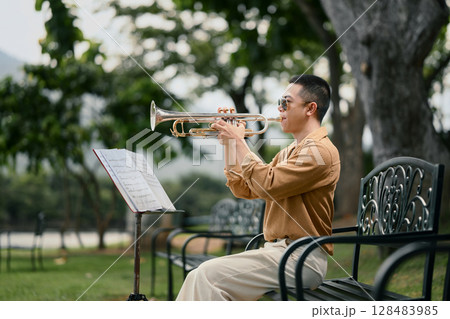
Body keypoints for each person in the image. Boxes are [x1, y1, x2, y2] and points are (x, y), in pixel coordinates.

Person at [176, 74, 340, 301]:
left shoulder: (319, 152)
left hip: (301, 258)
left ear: (310, 108)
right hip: (279, 252)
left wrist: (240, 142)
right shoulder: (289, 151)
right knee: (199, 276)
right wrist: (229, 145)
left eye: (286, 102)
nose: (280, 108)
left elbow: (268, 184)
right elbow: (245, 189)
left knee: (207, 276)